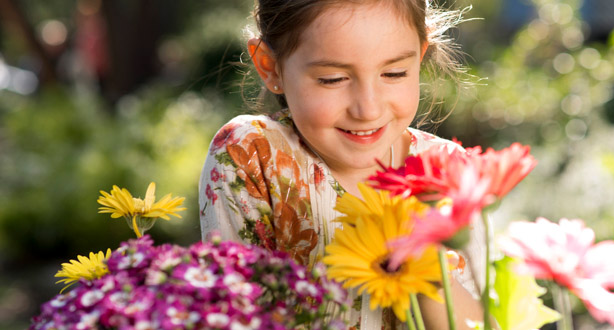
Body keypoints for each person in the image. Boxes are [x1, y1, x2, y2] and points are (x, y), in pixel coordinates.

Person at [199, 0, 487, 328]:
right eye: (333, 79)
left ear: (420, 56)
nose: (367, 109)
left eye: (394, 73)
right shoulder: (254, 154)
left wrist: (425, 267)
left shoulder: (450, 172)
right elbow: (231, 312)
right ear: (270, 67)